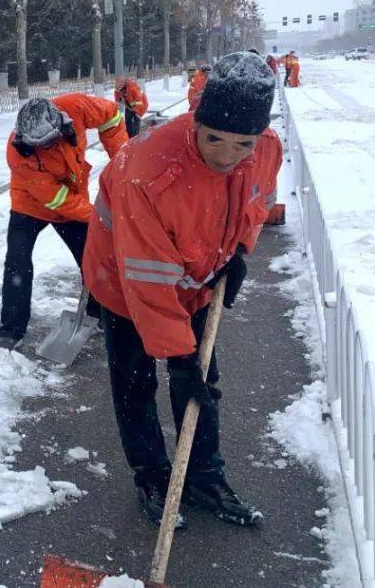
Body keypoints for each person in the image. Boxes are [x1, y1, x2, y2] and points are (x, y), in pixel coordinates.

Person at [82, 51, 281, 529]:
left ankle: (203, 479)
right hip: (125, 283)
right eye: (215, 138)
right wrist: (179, 355)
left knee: (200, 385)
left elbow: (258, 203)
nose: (227, 154)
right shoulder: (148, 171)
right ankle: (152, 477)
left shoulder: (266, 149)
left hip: (198, 278)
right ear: (196, 119)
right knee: (137, 384)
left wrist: (239, 254)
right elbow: (148, 282)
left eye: (242, 144)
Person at [0, 93, 128, 351]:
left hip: (73, 195)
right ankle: (11, 332)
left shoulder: (75, 106)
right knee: (17, 262)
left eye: (49, 142)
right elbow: (58, 201)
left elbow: (111, 116)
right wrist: (98, 217)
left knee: (93, 257)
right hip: (30, 205)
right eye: (40, 146)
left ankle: (97, 313)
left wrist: (123, 163)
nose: (46, 148)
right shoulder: (18, 153)